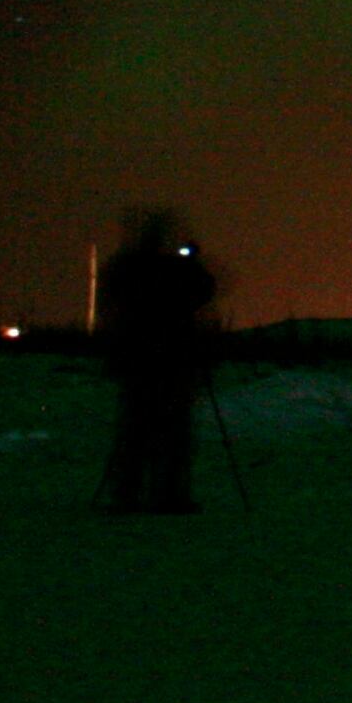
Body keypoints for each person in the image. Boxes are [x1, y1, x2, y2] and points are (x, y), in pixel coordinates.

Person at [96, 208, 215, 512]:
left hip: (139, 361)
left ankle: (128, 494)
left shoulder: (127, 268)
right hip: (172, 361)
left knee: (136, 431)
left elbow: (112, 301)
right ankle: (167, 495)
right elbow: (204, 291)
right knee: (172, 434)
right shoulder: (172, 270)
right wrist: (190, 263)